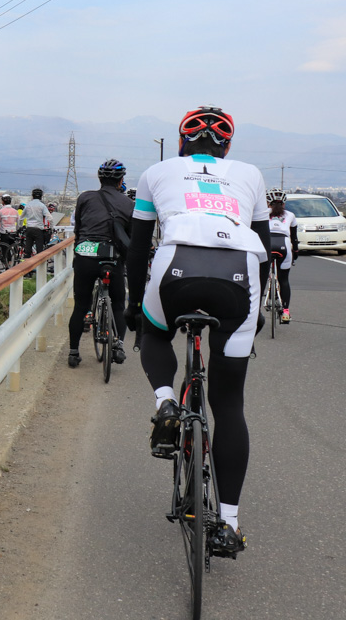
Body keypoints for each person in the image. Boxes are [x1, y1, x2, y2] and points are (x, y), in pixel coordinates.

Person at [125, 106, 268, 558]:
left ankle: (166, 401)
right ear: (227, 146)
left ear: (182, 141)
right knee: (228, 404)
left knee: (154, 331)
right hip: (239, 272)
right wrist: (256, 313)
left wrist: (133, 304)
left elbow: (136, 247)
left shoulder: (157, 171)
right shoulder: (250, 174)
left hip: (175, 266)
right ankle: (228, 523)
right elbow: (266, 245)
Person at [67, 159, 133, 368]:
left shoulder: (85, 198)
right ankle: (119, 345)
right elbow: (129, 238)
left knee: (80, 306)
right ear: (121, 180)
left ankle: (74, 352)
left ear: (99, 178)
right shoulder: (129, 204)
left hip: (85, 256)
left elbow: (78, 229)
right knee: (119, 303)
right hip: (112, 258)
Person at [265, 188, 298, 323]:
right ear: (284, 203)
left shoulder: (262, 213)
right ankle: (285, 312)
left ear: (268, 203)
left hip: (266, 245)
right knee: (284, 280)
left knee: (259, 280)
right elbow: (295, 239)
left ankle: (254, 313)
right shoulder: (291, 215)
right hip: (284, 246)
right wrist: (295, 254)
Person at [22, 188, 51, 256]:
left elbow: (21, 218)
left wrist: (20, 226)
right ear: (41, 196)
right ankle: (40, 265)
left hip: (29, 228)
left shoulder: (28, 205)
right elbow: (49, 217)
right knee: (39, 251)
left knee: (28, 250)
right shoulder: (42, 206)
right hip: (38, 229)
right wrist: (51, 227)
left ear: (32, 196)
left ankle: (28, 262)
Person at [0, 194, 20, 262]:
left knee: (5, 250)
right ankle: (15, 259)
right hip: (13, 232)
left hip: (4, 232)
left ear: (3, 202)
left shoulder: (0, 211)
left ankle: (7, 263)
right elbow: (18, 222)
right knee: (13, 247)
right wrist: (17, 229)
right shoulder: (15, 211)